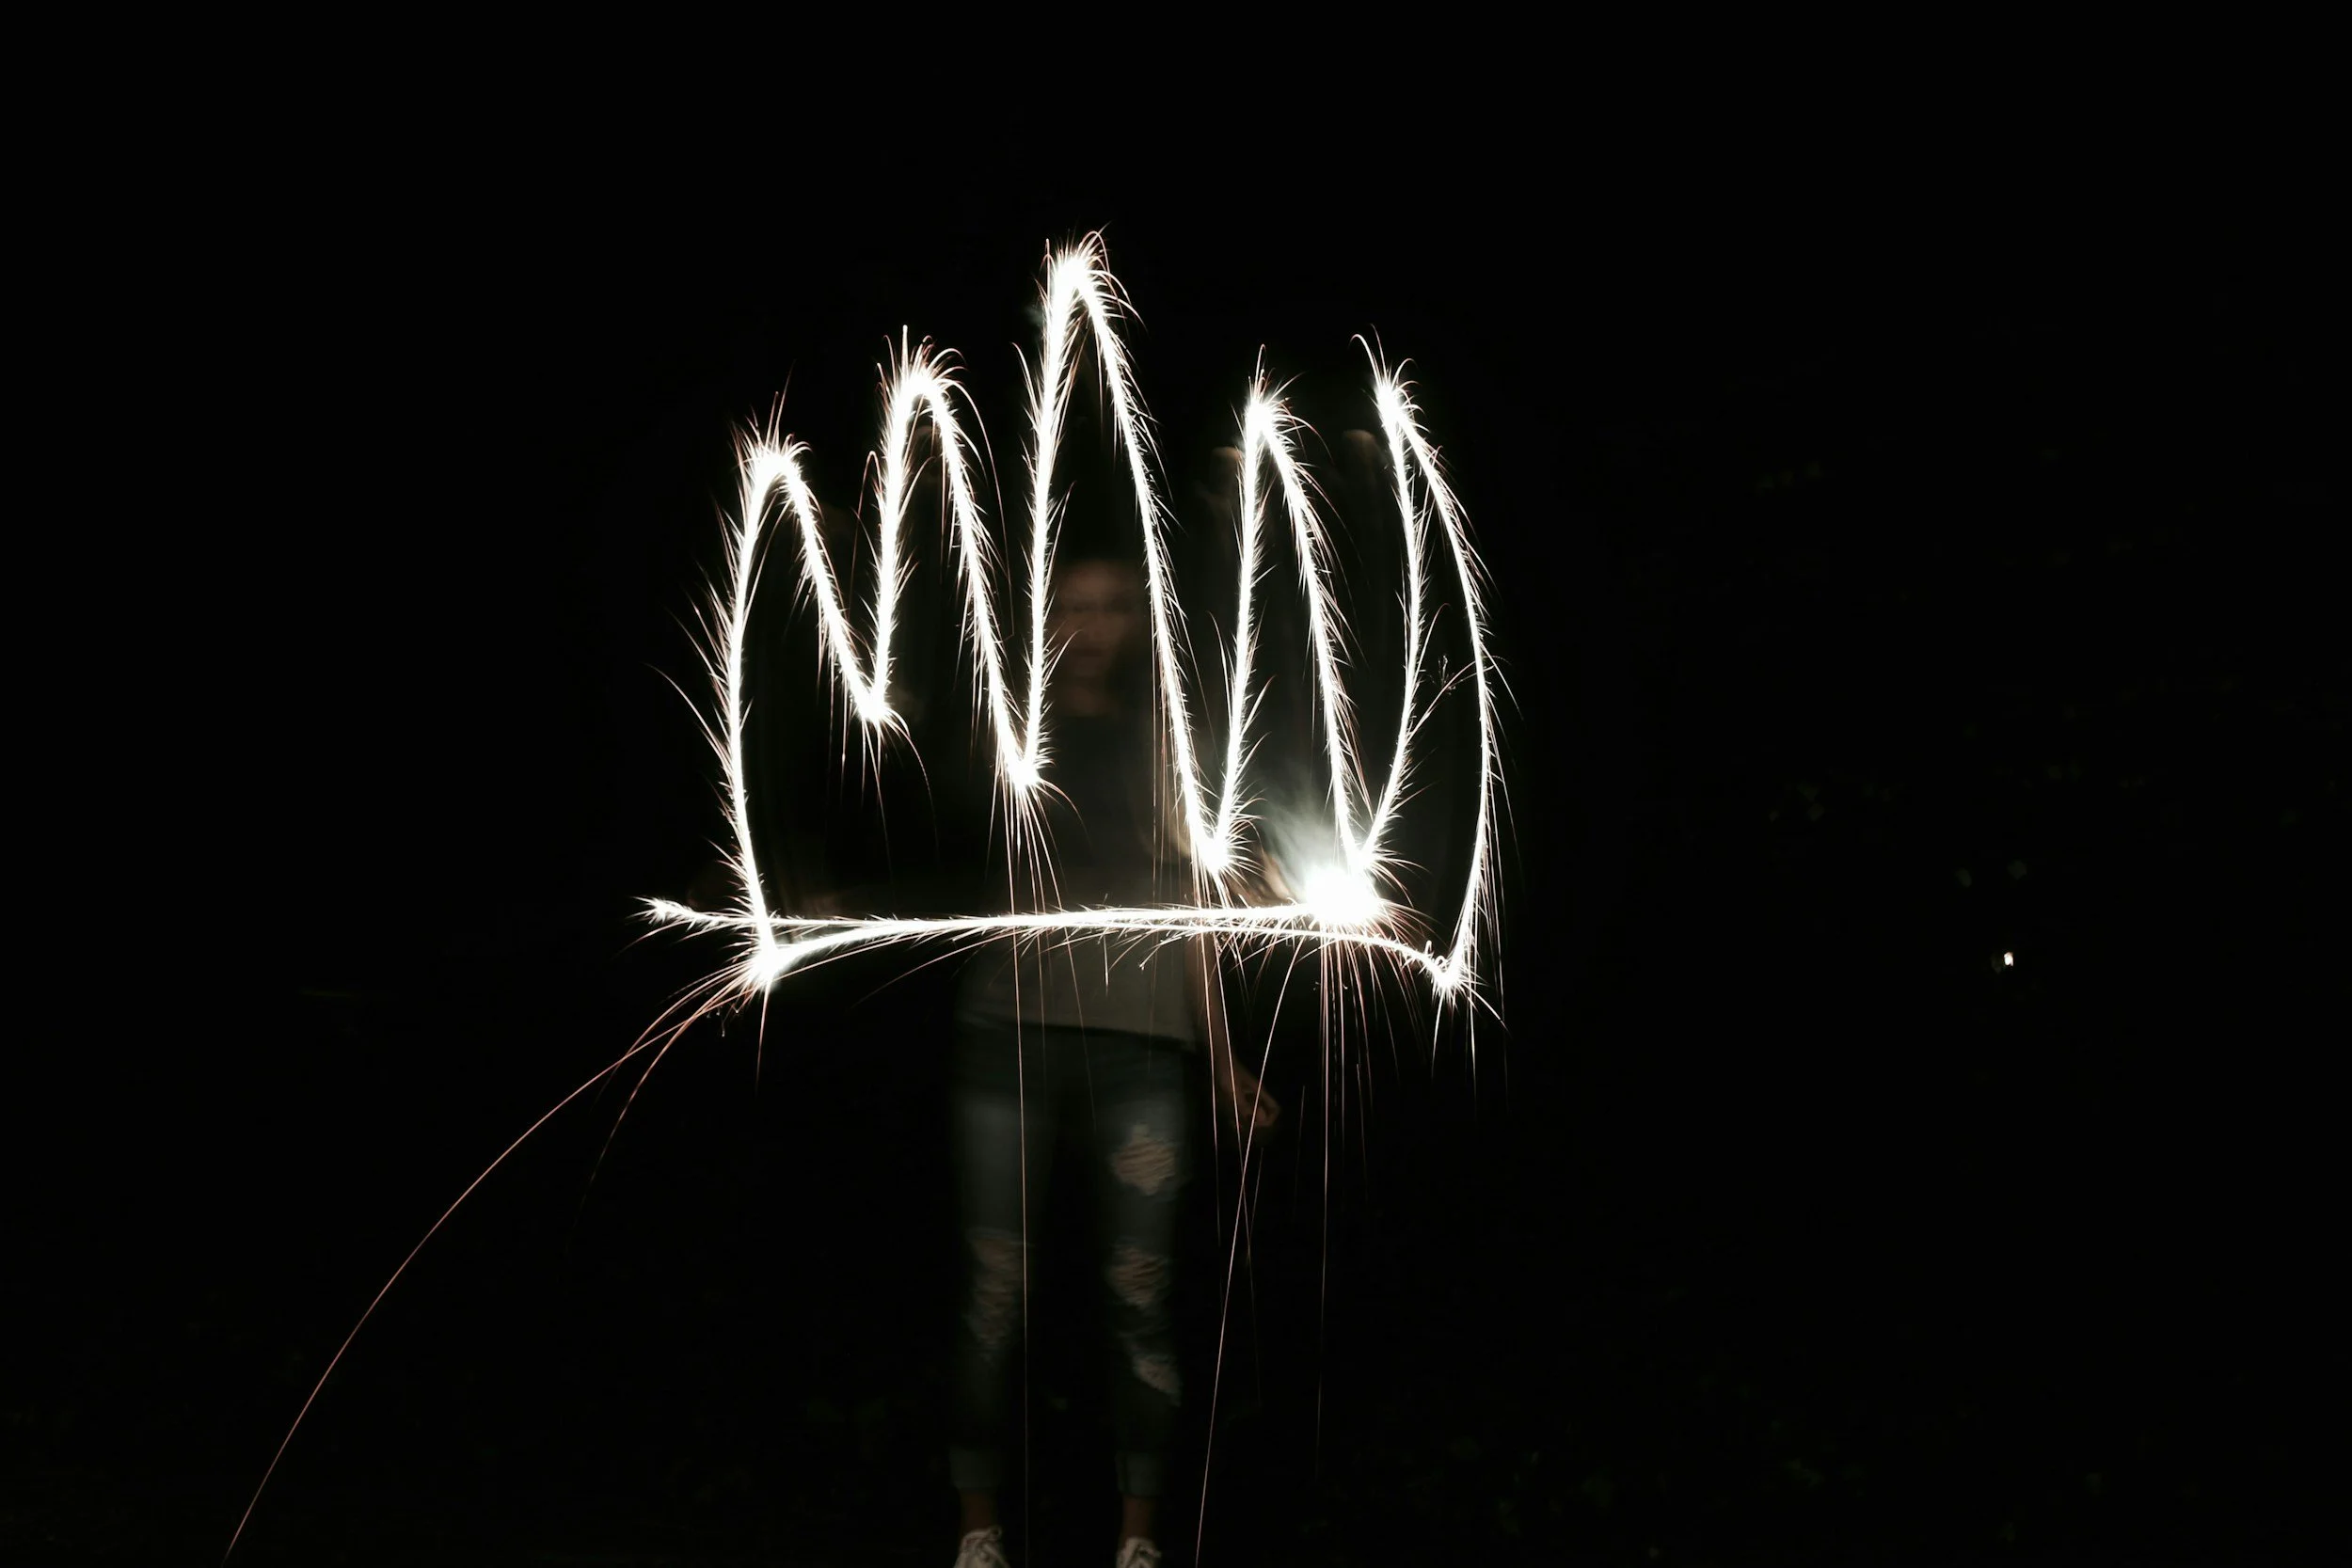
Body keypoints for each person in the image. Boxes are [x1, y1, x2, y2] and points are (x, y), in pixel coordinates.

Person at [946, 547, 1280, 1568]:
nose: (1091, 625)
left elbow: (1196, 906)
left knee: (1140, 1293)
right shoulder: (1004, 739)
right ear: (1044, 624)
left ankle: (1138, 1544)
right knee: (994, 1295)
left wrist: (1222, 1057)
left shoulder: (1165, 744)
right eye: (1073, 608)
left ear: (1138, 623)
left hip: (1143, 1048)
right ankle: (977, 1533)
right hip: (1009, 1038)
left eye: (1111, 608)